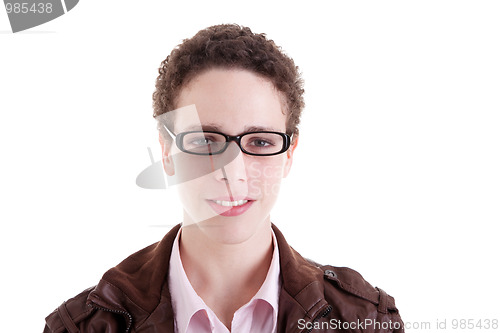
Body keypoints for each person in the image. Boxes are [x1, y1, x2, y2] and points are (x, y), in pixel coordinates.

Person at [44, 24, 404, 333]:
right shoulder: (84, 327)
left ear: (289, 154)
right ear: (167, 152)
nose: (233, 173)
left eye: (260, 141)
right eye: (205, 140)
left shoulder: (367, 320)